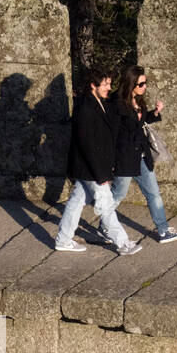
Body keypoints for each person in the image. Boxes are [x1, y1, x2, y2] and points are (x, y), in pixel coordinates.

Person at [54, 67, 141, 255]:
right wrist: (101, 174)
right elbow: (87, 145)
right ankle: (123, 244)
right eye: (105, 84)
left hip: (91, 167)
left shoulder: (99, 102)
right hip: (91, 168)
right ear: (93, 85)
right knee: (106, 205)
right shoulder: (85, 108)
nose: (108, 87)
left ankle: (63, 239)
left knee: (76, 202)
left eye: (109, 83)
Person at [111, 66, 177, 245]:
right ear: (131, 84)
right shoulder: (117, 104)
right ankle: (105, 226)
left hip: (142, 156)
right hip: (124, 157)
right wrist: (111, 162)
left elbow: (141, 122)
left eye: (145, 83)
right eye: (141, 84)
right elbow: (112, 134)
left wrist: (155, 113)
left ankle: (163, 230)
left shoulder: (139, 99)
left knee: (154, 194)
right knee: (118, 195)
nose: (145, 87)